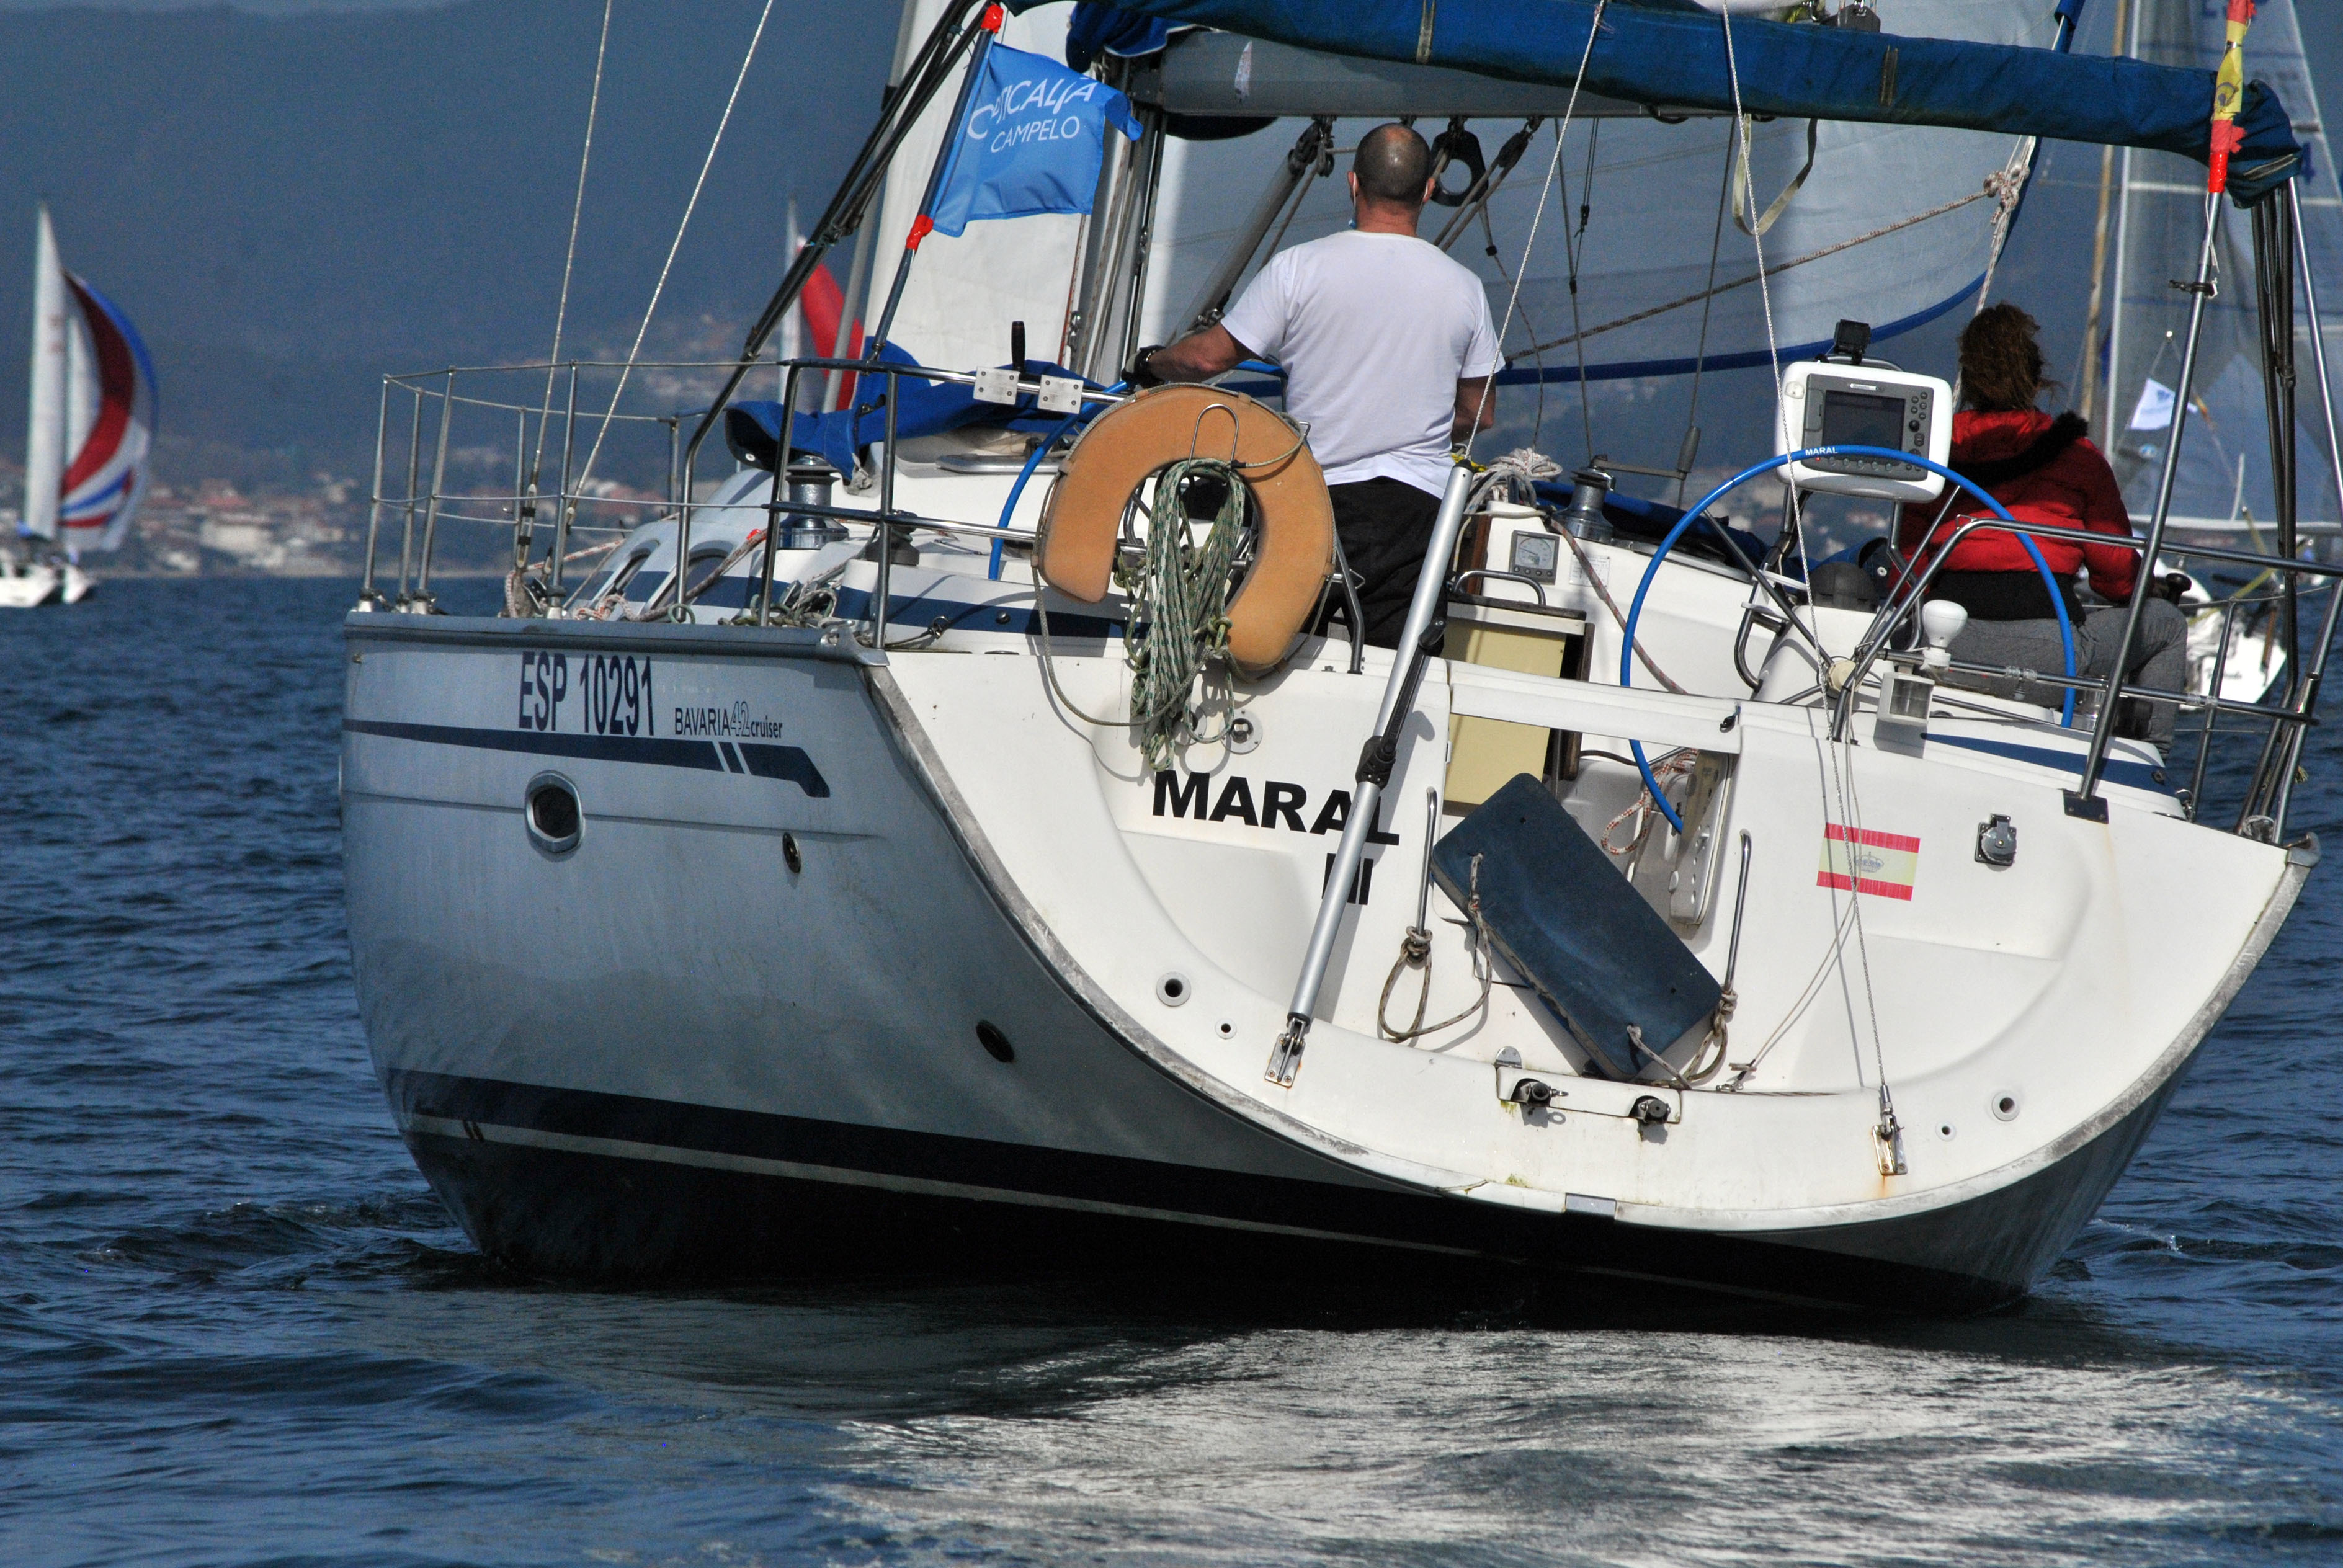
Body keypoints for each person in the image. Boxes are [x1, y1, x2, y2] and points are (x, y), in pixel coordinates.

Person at [1128, 123, 1502, 648]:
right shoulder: (1465, 288)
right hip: (1415, 511)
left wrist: (1151, 362)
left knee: (1270, 652)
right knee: (1392, 668)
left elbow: (1206, 359)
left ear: (1353, 183)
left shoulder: (1298, 269)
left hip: (1312, 499)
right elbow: (1479, 413)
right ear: (1427, 191)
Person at [1895, 301, 2187, 743]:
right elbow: (2116, 577)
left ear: (1969, 380)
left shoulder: (1935, 456)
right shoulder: (2077, 458)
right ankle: (2151, 759)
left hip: (1946, 647)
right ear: (2036, 379)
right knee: (2166, 624)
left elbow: (1908, 570)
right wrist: (2149, 592)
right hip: (2051, 658)